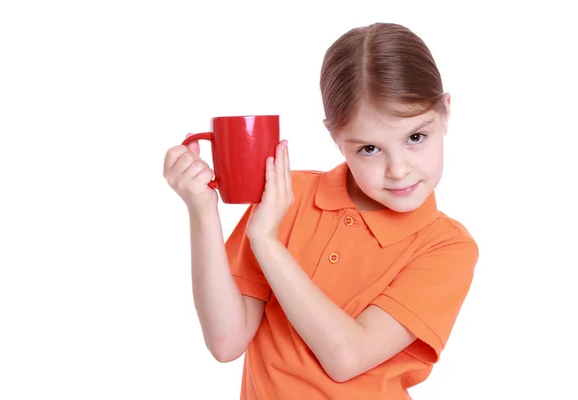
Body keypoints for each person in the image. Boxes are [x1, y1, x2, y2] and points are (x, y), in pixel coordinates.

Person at [163, 22, 479, 399]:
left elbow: (347, 357)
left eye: (415, 137)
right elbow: (225, 341)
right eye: (369, 149)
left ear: (444, 114)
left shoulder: (446, 247)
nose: (398, 169)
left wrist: (267, 242)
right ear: (336, 139)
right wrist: (202, 212)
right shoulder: (287, 196)